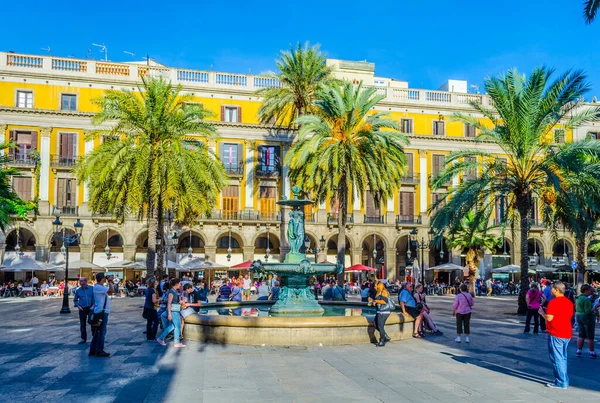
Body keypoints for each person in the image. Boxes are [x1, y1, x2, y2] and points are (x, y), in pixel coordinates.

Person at [538, 281, 574, 389]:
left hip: (556, 332)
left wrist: (542, 313)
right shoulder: (569, 302)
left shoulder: (553, 302)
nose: (550, 290)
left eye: (552, 288)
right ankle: (564, 380)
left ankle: (561, 382)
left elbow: (549, 318)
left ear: (556, 290)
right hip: (566, 332)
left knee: (557, 358)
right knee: (562, 357)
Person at [89, 273, 114, 358]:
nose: (105, 279)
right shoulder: (99, 287)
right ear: (102, 279)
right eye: (104, 278)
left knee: (97, 332)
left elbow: (109, 293)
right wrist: (110, 281)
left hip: (100, 312)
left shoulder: (99, 287)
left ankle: (93, 350)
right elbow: (111, 291)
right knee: (101, 332)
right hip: (101, 313)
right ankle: (99, 350)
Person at [157, 278, 185, 348]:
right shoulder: (171, 292)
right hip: (174, 311)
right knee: (177, 326)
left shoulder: (174, 291)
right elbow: (169, 303)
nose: (180, 285)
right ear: (177, 284)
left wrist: (180, 301)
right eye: (180, 283)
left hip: (175, 310)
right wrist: (169, 313)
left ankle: (161, 338)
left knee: (173, 326)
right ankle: (175, 342)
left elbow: (172, 302)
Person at [575, 284, 597, 359]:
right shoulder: (586, 299)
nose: (591, 292)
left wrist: (593, 296)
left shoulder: (579, 298)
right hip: (587, 317)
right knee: (590, 336)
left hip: (579, 316)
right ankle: (592, 352)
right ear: (586, 291)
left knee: (581, 335)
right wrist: (595, 307)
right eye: (590, 291)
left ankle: (579, 351)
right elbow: (588, 311)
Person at [73, 277, 94, 345]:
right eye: (80, 281)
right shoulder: (78, 290)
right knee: (82, 324)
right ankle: (83, 338)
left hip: (91, 308)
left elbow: (94, 297)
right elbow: (75, 300)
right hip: (82, 308)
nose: (80, 282)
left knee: (92, 323)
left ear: (85, 281)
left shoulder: (91, 288)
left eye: (81, 281)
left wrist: (93, 305)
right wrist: (78, 306)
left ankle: (94, 337)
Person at [373, 281, 392, 347]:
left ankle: (382, 340)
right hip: (379, 311)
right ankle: (385, 336)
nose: (374, 287)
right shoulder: (378, 293)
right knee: (375, 324)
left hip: (383, 312)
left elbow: (384, 301)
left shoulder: (384, 292)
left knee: (380, 326)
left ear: (379, 286)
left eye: (375, 286)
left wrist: (376, 301)